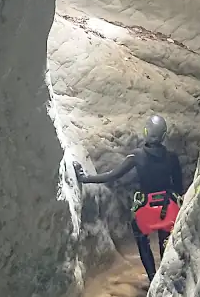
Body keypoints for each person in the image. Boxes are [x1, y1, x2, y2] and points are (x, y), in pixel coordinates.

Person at [74, 115, 184, 282]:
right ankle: (166, 275)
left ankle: (152, 277)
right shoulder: (172, 158)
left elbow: (112, 176)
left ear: (146, 132)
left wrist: (84, 177)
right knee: (165, 240)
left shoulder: (136, 156)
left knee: (142, 239)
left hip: (146, 212)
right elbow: (179, 188)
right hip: (167, 210)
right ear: (163, 136)